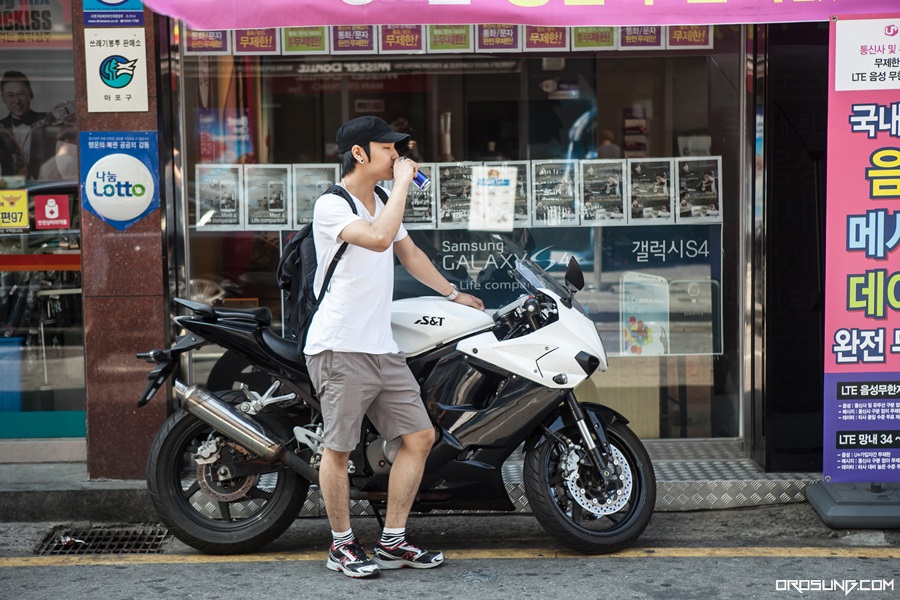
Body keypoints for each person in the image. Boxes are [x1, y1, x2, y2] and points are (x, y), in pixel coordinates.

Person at [305, 115, 484, 579]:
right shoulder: (331, 205)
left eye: (397, 149)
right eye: (387, 149)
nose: (397, 156)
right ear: (359, 153)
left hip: (382, 347)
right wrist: (403, 182)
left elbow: (409, 253)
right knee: (338, 450)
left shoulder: (383, 198)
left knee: (419, 437)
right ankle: (341, 545)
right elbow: (379, 238)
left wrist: (453, 294)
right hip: (340, 346)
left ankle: (393, 541)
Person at [0, 70, 61, 180]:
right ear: (3, 99)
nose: (17, 101)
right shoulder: (1, 127)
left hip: (46, 184)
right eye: (10, 95)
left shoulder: (49, 120)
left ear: (30, 95)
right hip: (10, 186)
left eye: (21, 94)